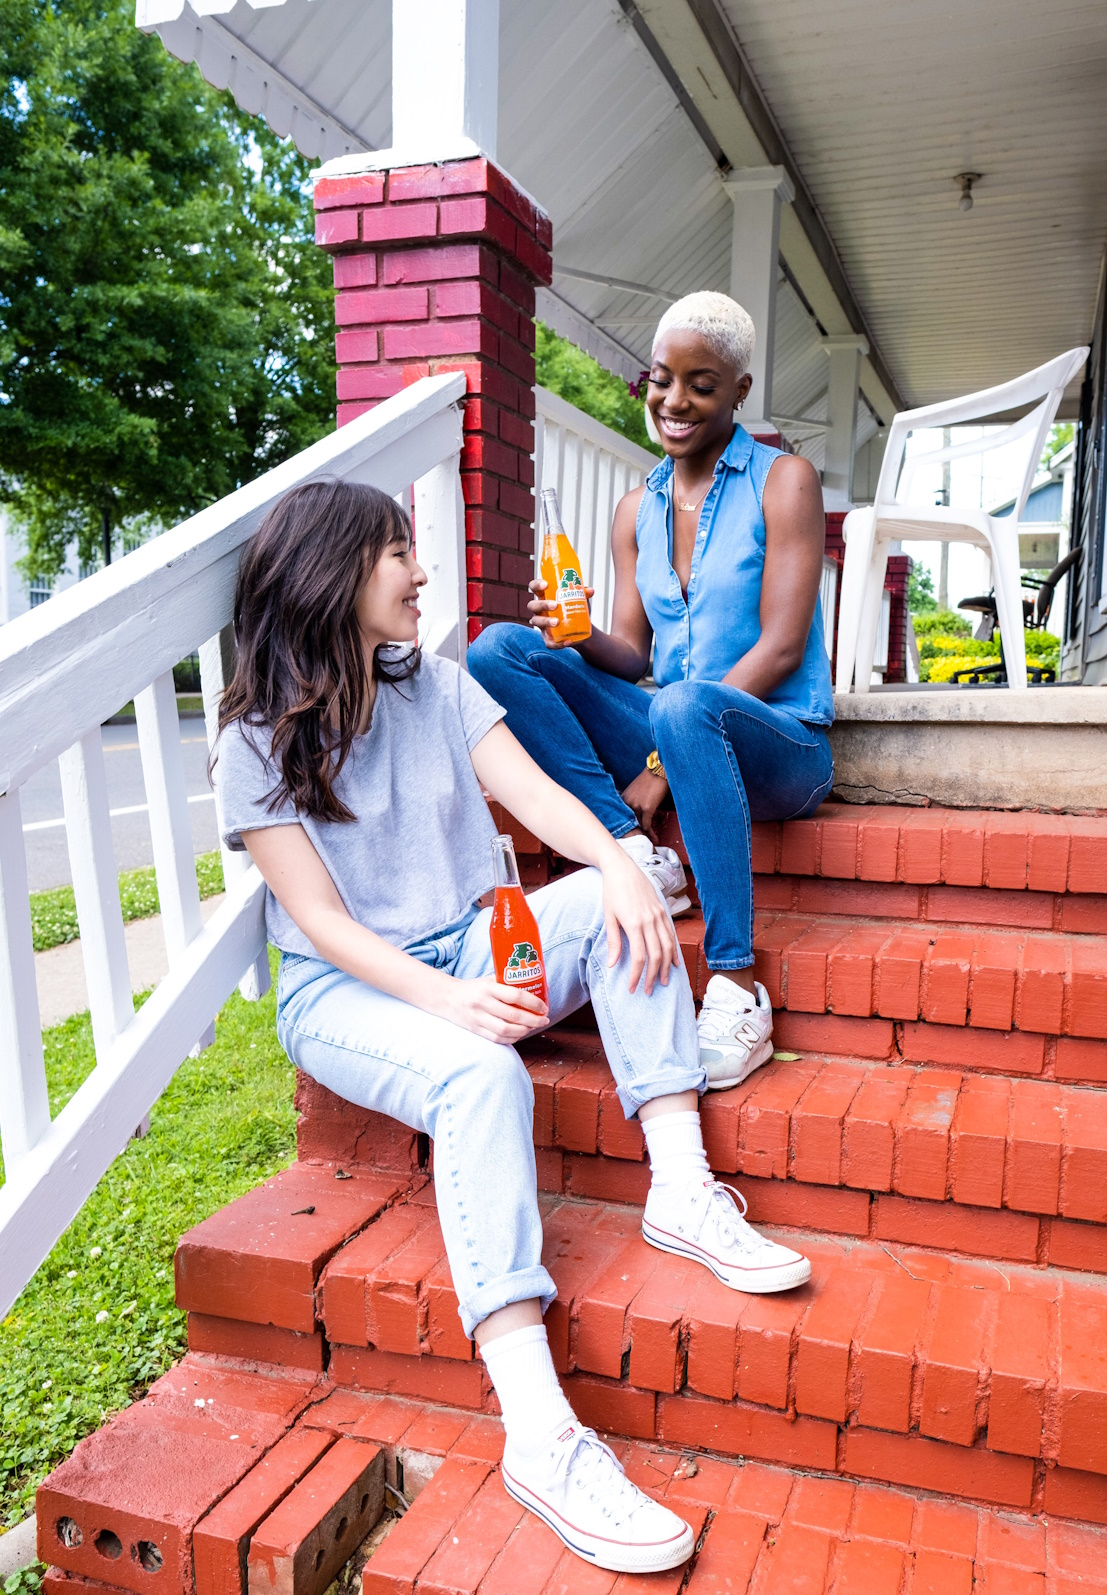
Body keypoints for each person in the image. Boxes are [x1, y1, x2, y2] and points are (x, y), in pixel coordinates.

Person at [212, 479, 811, 1578]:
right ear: (334, 570)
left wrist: (620, 864)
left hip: (466, 941)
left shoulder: (437, 687)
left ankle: (679, 1186)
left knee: (610, 898)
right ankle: (540, 1430)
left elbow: (534, 797)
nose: (422, 572)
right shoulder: (257, 738)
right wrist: (447, 1003)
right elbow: (320, 923)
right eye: (400, 552)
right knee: (482, 1079)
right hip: (347, 988)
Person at [468, 291, 833, 1093]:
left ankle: (737, 985)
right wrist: (574, 635)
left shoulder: (786, 482)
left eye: (702, 384)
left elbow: (778, 649)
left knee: (682, 703)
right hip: (673, 720)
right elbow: (632, 654)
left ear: (739, 392)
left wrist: (659, 766)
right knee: (499, 650)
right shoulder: (637, 506)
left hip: (781, 743)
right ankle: (636, 852)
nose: (674, 401)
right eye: (661, 379)